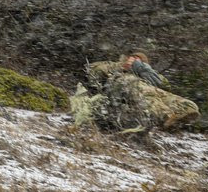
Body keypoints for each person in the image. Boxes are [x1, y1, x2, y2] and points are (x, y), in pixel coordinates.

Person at [70, 51, 199, 132]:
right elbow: (91, 71)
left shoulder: (148, 74)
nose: (134, 62)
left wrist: (145, 70)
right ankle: (165, 117)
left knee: (187, 105)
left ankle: (180, 115)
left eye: (139, 61)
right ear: (127, 58)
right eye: (133, 59)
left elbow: (164, 86)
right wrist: (120, 67)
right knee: (135, 88)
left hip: (148, 90)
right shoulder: (113, 68)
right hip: (120, 97)